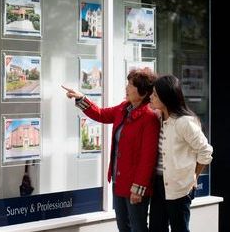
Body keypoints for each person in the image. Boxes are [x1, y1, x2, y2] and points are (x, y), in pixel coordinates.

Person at [62, 69, 160, 232]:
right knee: (123, 227)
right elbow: (100, 114)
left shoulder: (149, 117)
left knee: (138, 228)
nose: (126, 87)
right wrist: (81, 98)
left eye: (130, 85)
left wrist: (139, 187)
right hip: (118, 180)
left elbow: (147, 157)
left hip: (135, 186)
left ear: (142, 92)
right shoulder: (124, 108)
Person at [149, 75, 213, 232]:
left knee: (179, 229)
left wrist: (194, 177)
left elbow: (206, 151)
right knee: (156, 228)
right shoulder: (158, 119)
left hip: (180, 187)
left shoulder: (184, 122)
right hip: (158, 184)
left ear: (166, 97)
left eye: (155, 94)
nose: (151, 97)